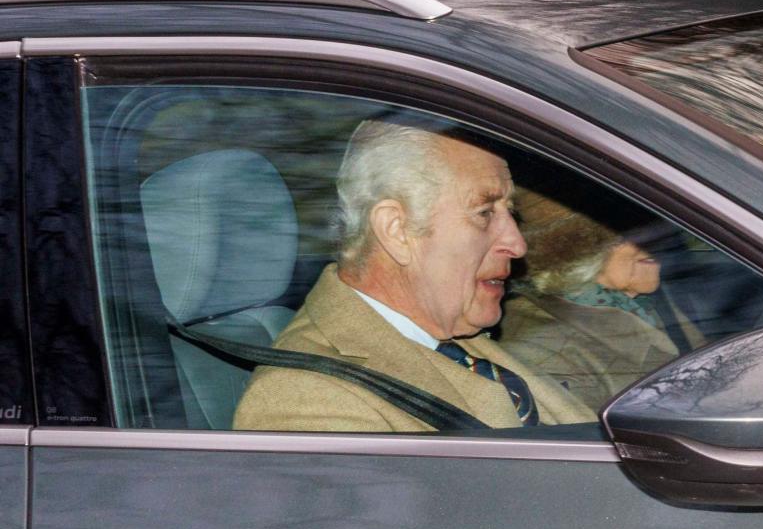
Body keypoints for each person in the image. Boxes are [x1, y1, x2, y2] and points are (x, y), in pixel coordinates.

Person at [234, 120, 593, 432]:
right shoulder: (307, 402)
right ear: (397, 230)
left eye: (509, 212)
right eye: (484, 212)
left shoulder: (454, 342)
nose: (516, 244)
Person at [498, 183, 704, 410]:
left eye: (653, 228)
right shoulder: (546, 350)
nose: (652, 243)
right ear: (577, 252)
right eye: (627, 233)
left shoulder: (650, 303)